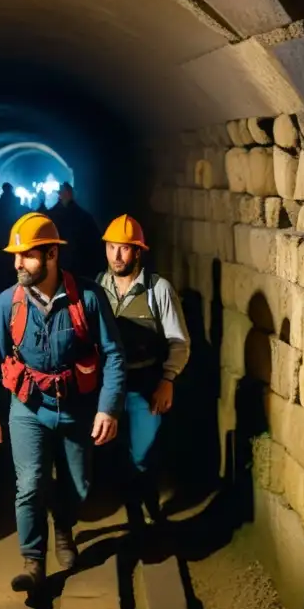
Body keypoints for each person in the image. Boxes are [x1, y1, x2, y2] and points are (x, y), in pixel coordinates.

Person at [0, 212, 126, 592]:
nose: (17, 264)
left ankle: (63, 526)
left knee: (79, 484)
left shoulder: (88, 297)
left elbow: (113, 354)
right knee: (29, 483)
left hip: (76, 405)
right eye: (16, 255)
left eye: (26, 255)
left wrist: (108, 408)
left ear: (50, 256)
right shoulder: (7, 304)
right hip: (28, 407)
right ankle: (33, 559)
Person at [96, 215, 190, 544]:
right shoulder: (98, 289)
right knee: (115, 453)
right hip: (108, 384)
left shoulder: (157, 290)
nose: (117, 256)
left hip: (144, 381)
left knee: (143, 452)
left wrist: (167, 380)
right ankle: (136, 513)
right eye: (111, 248)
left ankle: (148, 504)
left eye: (124, 249)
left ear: (137, 252)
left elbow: (179, 341)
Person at [48, 182, 103, 279]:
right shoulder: (84, 217)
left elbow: (95, 246)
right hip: (75, 273)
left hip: (69, 273)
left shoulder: (50, 217)